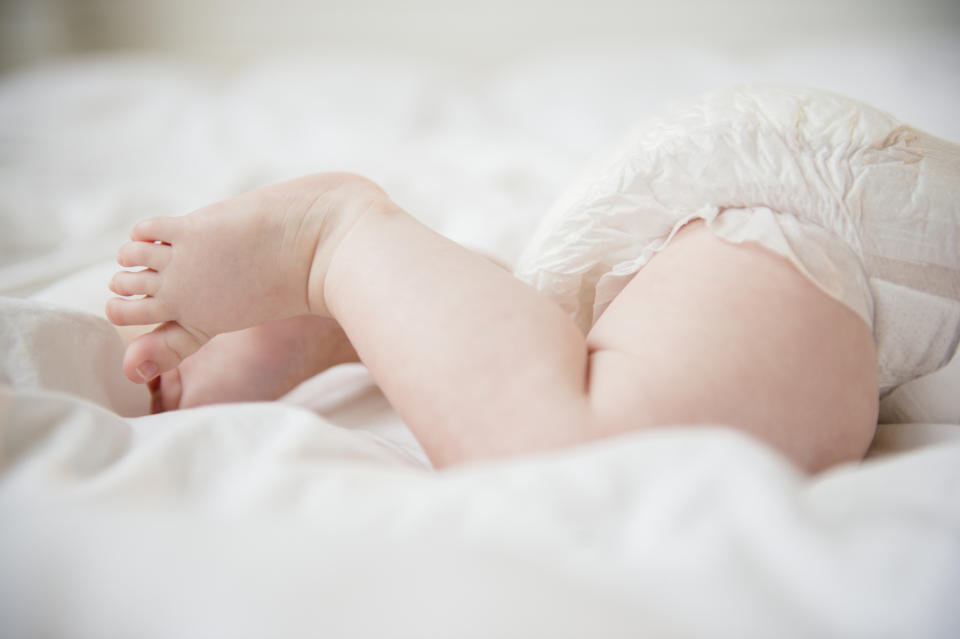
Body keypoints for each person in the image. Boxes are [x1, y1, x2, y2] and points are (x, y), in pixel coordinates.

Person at [106, 87, 960, 474]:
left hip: (859, 233)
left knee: (591, 391)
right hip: (853, 219)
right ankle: (332, 244)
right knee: (585, 455)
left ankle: (378, 319)